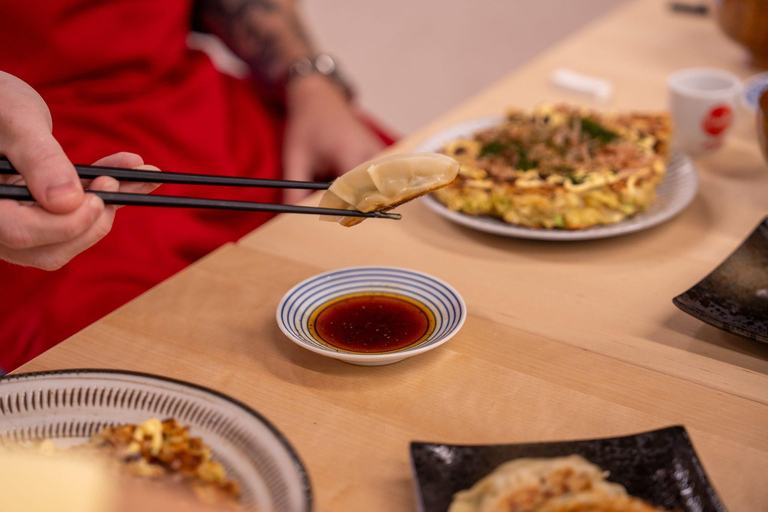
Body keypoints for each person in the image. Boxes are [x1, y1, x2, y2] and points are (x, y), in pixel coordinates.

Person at [0, 0, 395, 372]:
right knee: (134, 353)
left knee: (406, 206)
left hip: (194, 101)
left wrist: (308, 79)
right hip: (36, 141)